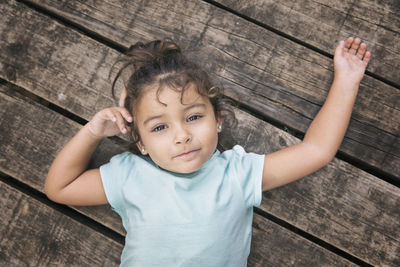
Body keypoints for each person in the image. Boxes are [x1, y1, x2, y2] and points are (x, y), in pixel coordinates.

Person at [45, 37, 371, 266]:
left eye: (194, 117)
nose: (182, 135)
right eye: (160, 127)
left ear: (217, 119)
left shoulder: (237, 174)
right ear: (140, 141)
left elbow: (316, 150)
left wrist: (347, 80)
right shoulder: (129, 174)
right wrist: (92, 132)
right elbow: (59, 188)